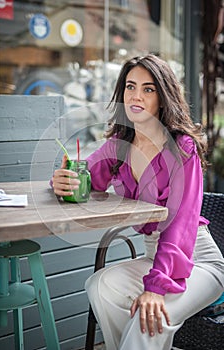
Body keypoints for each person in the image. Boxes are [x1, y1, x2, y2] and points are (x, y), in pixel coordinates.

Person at [52, 54, 224, 350]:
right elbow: (86, 179)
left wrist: (156, 288)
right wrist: (64, 182)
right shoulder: (118, 143)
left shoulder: (182, 147)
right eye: (131, 86)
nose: (136, 96)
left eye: (148, 89)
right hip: (154, 254)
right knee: (99, 286)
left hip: (196, 259)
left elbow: (181, 223)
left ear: (163, 96)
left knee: (147, 322)